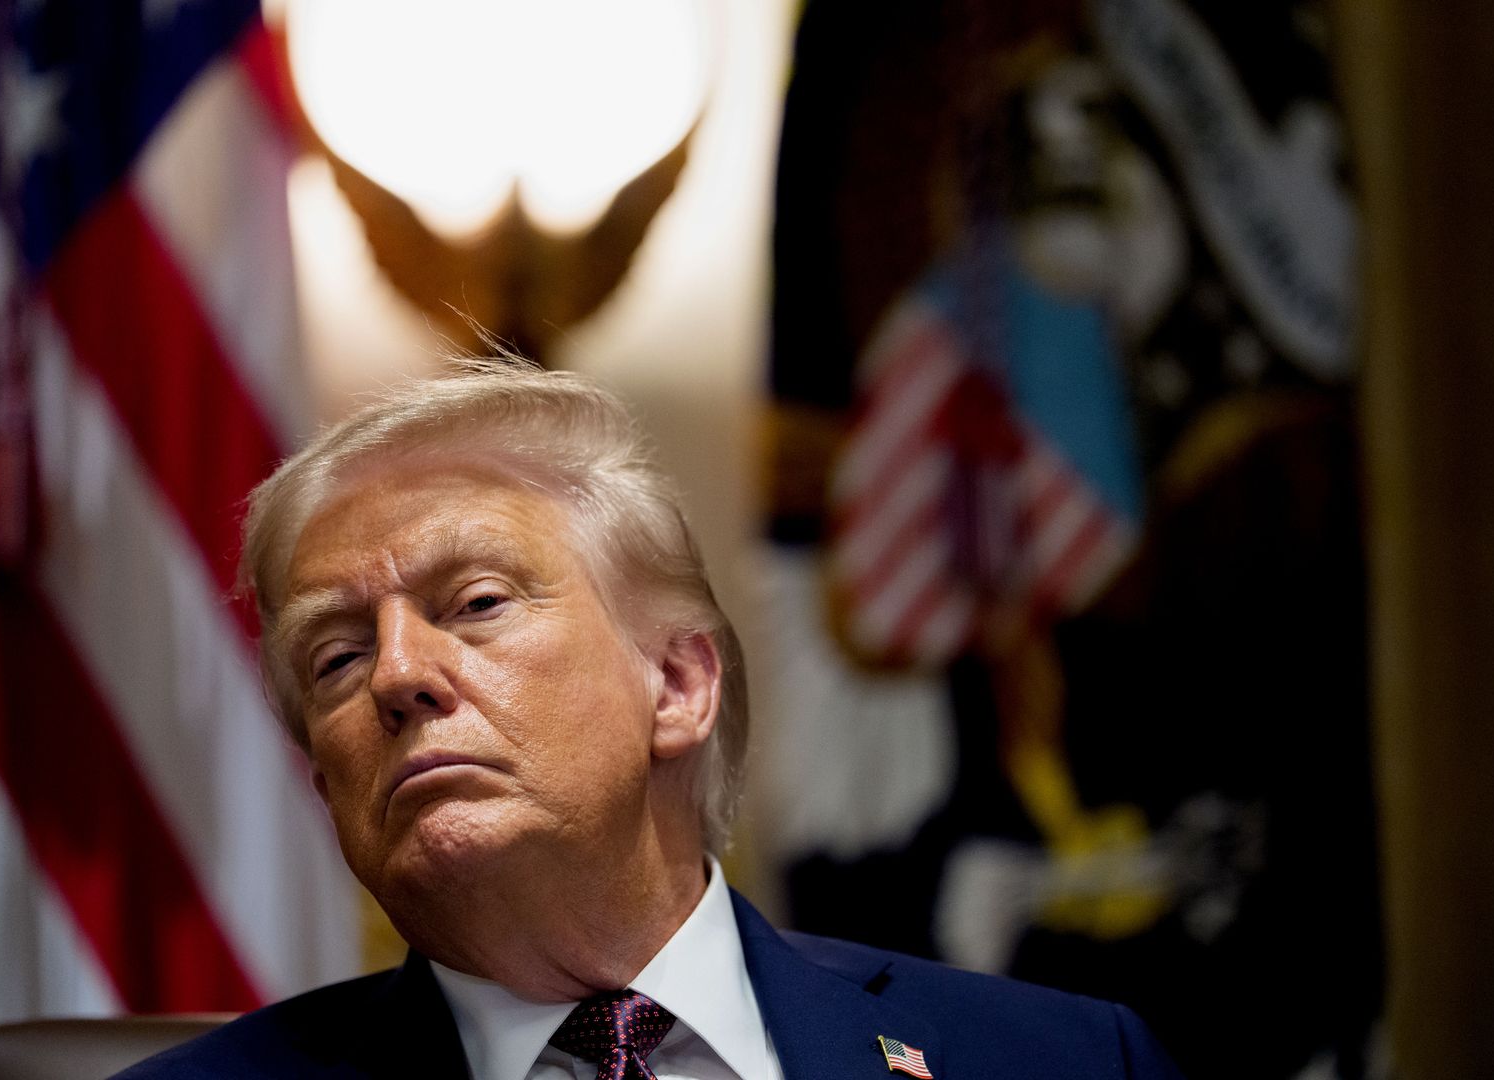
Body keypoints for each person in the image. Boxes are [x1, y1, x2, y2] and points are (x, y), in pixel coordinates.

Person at [116, 363, 1183, 1080]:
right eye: (336, 657)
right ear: (327, 783)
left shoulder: (1064, 1059)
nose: (397, 673)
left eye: (477, 604)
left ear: (677, 684)